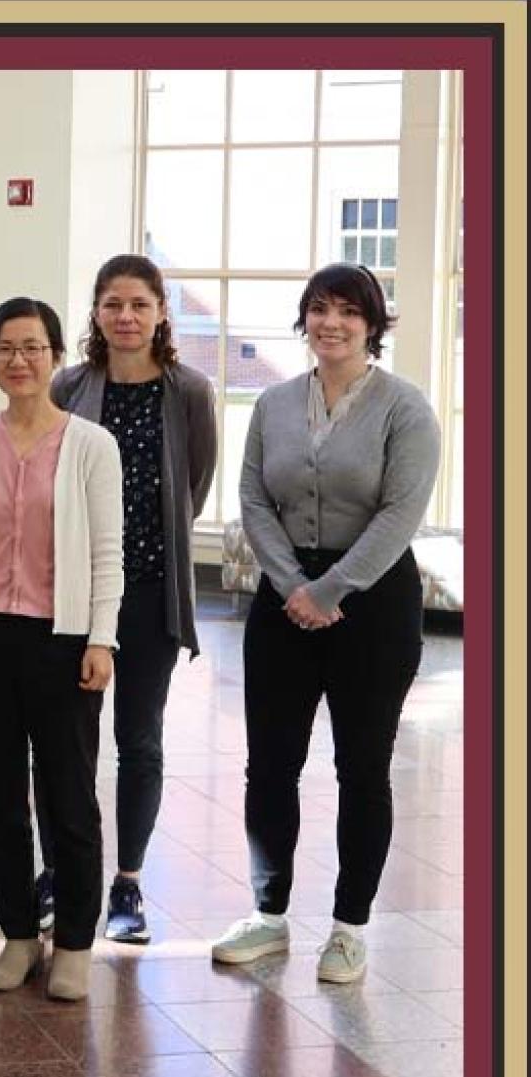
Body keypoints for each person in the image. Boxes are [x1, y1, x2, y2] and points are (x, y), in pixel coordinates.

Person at [209, 263, 440, 985]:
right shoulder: (275, 402)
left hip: (372, 604)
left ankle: (349, 927)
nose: (330, 323)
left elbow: (400, 514)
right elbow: (251, 496)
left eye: (347, 311)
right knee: (269, 764)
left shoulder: (406, 409)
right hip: (285, 601)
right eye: (318, 309)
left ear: (372, 323)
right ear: (303, 319)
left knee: (361, 767)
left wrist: (333, 587)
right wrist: (292, 584)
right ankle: (269, 915)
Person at [0, 297, 123, 1003]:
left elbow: (108, 551)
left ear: (56, 357)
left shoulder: (89, 445)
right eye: (6, 348)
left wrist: (102, 635)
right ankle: (18, 934)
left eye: (32, 347)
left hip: (65, 639)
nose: (19, 359)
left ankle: (74, 941)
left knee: (69, 796)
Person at [35, 254, 218, 945]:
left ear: (162, 311)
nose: (126, 317)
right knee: (60, 744)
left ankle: (128, 885)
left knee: (137, 741)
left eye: (140, 304)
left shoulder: (190, 392)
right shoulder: (70, 384)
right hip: (71, 596)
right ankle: (60, 873)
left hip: (148, 595)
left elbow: (191, 490)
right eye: (113, 304)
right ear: (96, 312)